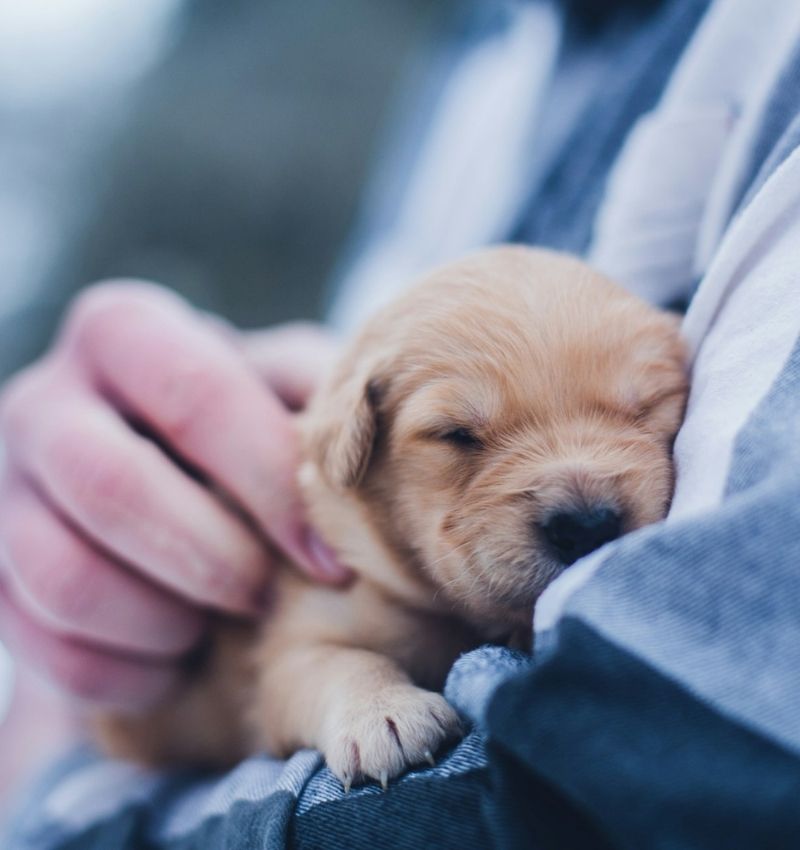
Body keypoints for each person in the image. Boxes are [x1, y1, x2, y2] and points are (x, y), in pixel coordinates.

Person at [4, 0, 800, 847]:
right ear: (353, 447)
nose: (579, 498)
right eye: (461, 437)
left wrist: (51, 805)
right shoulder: (481, 59)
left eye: (641, 408)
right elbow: (294, 673)